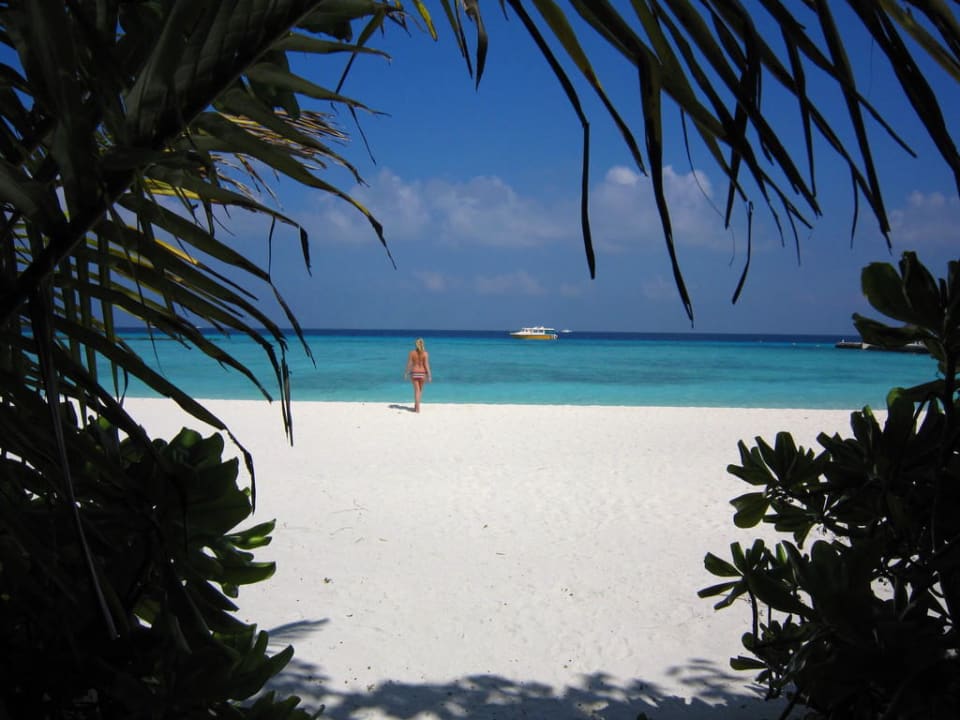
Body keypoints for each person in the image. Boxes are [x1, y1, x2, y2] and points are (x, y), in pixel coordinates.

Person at [403, 337, 432, 413]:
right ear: (423, 344)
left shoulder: (412, 353)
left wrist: (406, 373)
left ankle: (417, 407)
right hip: (422, 373)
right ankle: (417, 407)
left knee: (416, 391)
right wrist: (429, 375)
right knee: (420, 391)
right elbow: (426, 365)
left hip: (414, 373)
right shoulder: (425, 353)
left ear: (416, 344)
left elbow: (409, 364)